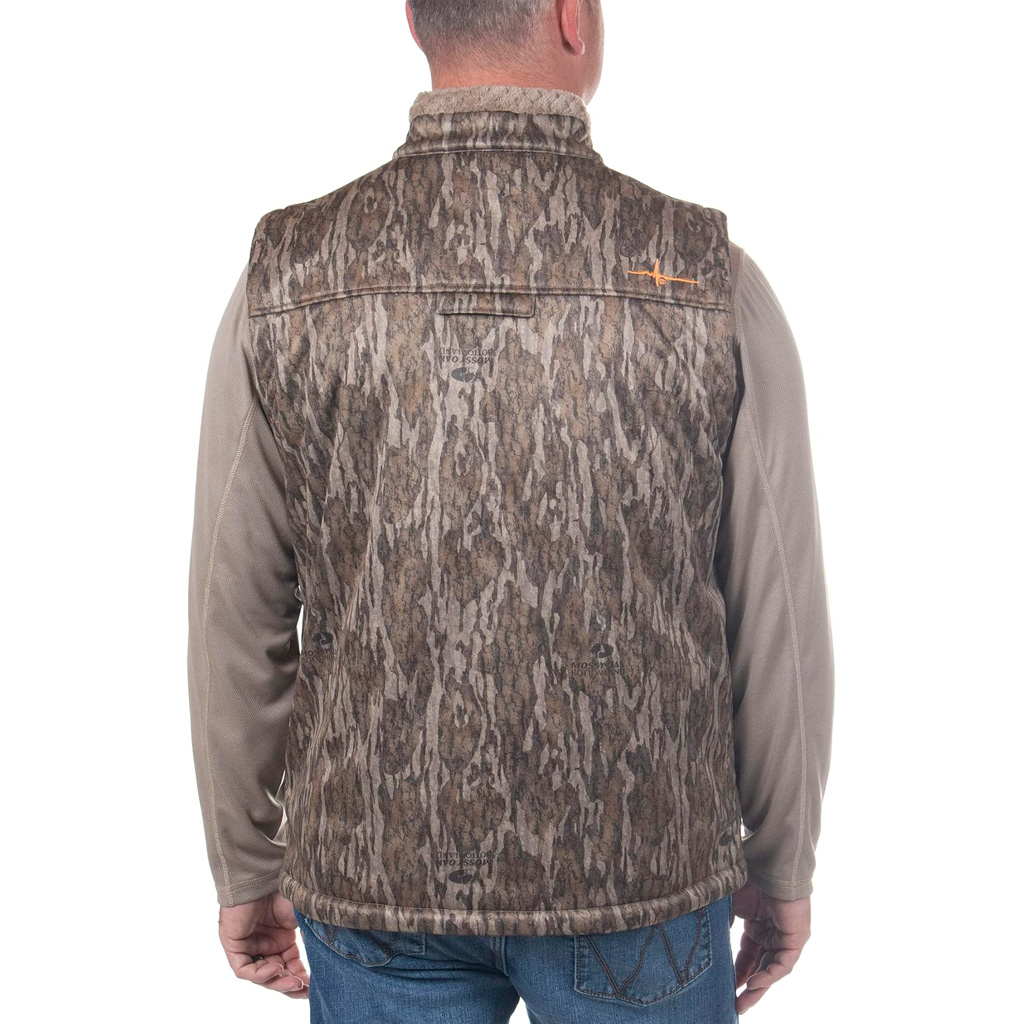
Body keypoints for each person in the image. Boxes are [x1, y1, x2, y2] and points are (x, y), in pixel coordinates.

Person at [186, 1, 835, 1020]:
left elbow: (234, 614)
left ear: (414, 20)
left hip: (375, 878)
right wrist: (783, 858)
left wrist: (243, 861)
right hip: (639, 877)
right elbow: (778, 616)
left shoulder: (291, 275)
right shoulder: (705, 278)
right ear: (573, 17)